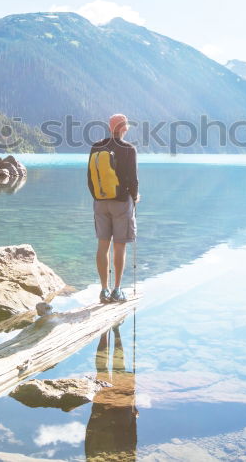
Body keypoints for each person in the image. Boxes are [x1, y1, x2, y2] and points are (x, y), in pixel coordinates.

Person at [88, 113, 139, 303]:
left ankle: (103, 290)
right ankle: (117, 290)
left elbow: (89, 179)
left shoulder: (96, 147)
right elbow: (133, 180)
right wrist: (135, 197)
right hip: (121, 203)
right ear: (124, 128)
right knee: (119, 247)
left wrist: (98, 197)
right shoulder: (129, 149)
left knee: (102, 245)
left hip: (100, 202)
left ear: (110, 128)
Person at [85, 323, 137, 461]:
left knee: (108, 370)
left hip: (116, 415)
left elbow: (132, 440)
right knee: (108, 370)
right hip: (112, 415)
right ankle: (112, 331)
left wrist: (133, 408)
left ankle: (110, 331)